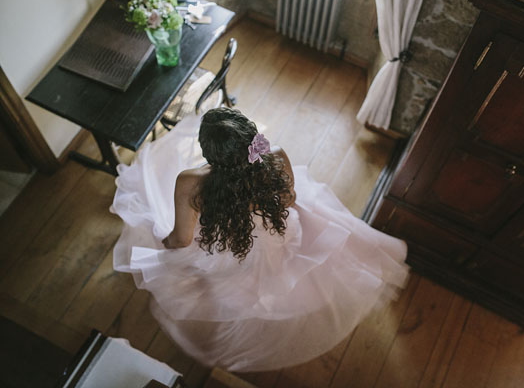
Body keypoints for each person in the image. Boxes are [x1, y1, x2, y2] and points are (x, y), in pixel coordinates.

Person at [111, 107, 410, 372]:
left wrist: (164, 244)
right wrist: (256, 203)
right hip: (276, 234)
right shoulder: (276, 155)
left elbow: (181, 239)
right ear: (250, 137)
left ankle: (227, 318)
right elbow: (289, 199)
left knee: (209, 272)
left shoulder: (191, 183)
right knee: (267, 269)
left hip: (227, 249)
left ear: (210, 153)